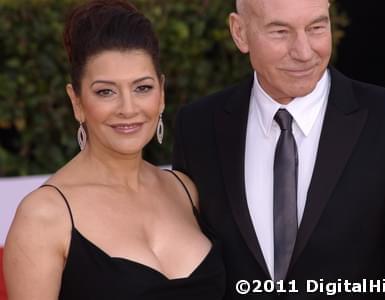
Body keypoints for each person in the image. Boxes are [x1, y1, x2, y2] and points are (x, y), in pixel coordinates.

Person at [172, 0, 385, 299]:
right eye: (280, 31)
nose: (304, 52)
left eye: (316, 27)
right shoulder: (198, 127)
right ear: (239, 33)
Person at [3, 1, 225, 299]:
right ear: (77, 101)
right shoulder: (43, 217)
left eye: (142, 88)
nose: (128, 108)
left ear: (161, 94)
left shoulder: (185, 190)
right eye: (105, 91)